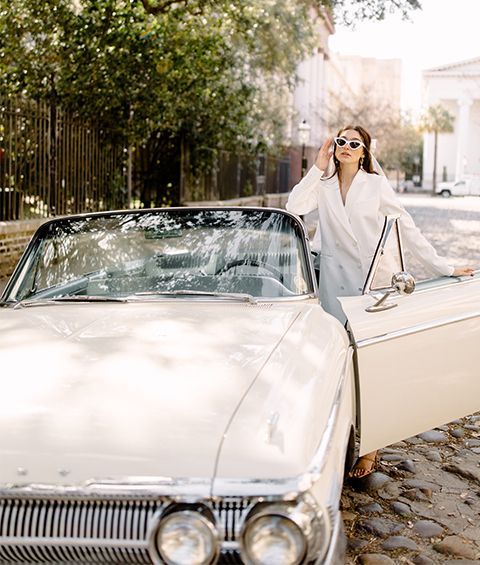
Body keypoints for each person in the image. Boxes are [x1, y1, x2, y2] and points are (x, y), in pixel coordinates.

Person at [286, 124, 474, 478]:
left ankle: (370, 445)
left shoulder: (375, 185)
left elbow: (407, 226)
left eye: (353, 143)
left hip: (372, 282)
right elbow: (294, 206)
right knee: (338, 360)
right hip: (334, 284)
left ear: (364, 152)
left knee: (369, 362)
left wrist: (444, 266)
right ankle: (338, 432)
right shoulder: (323, 184)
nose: (345, 146)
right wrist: (318, 165)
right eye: (341, 141)